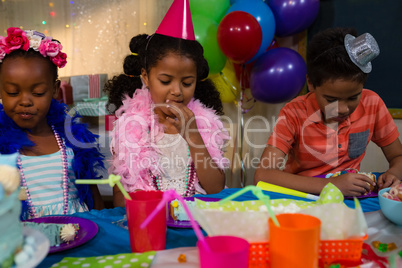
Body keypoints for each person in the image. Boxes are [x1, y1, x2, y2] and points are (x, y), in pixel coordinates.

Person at [105, 0, 229, 207]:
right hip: (148, 222)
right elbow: (121, 197)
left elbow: (216, 188)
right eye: (165, 81)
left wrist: (193, 135)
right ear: (145, 77)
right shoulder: (129, 127)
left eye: (187, 82)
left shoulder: (206, 124)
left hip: (194, 223)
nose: (177, 91)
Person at [254, 27, 402, 197]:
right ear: (310, 83)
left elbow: (398, 156)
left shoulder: (372, 104)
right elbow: (263, 175)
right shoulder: (293, 113)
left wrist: (394, 174)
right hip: (304, 198)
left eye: (353, 97)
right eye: (331, 100)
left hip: (350, 200)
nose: (343, 109)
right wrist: (330, 185)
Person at [0, 27, 105, 220]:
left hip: (80, 233)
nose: (25, 101)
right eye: (13, 92)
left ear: (55, 90)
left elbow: (93, 195)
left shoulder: (72, 139)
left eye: (38, 92)